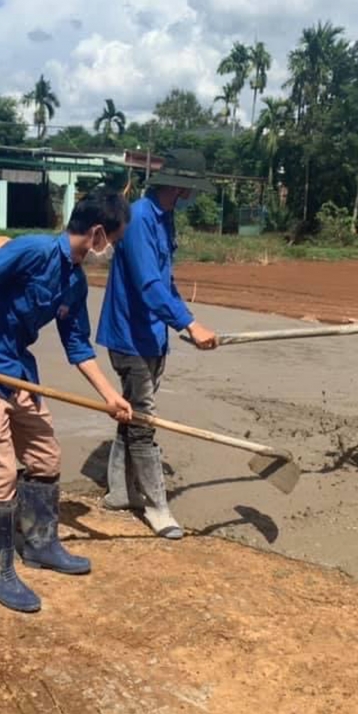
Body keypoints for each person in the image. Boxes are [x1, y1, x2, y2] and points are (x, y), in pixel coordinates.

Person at [0, 189, 134, 614]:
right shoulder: (33, 251)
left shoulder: (75, 281)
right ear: (98, 233)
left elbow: (78, 347)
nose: (114, 251)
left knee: (46, 458)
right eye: (115, 242)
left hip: (22, 378)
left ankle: (41, 544)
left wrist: (111, 398)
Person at [96, 149, 219, 540]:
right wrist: (188, 322)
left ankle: (119, 491)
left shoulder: (166, 220)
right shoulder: (137, 220)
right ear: (182, 187)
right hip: (129, 335)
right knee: (145, 421)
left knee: (130, 413)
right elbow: (148, 285)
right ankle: (157, 507)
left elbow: (166, 283)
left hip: (153, 334)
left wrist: (184, 320)